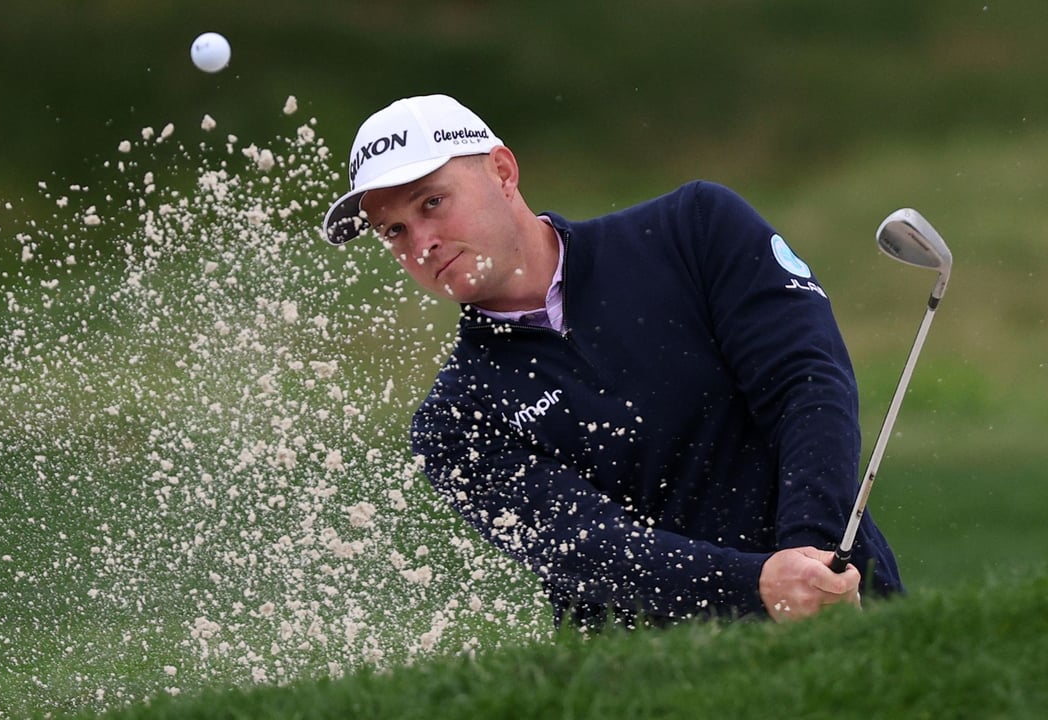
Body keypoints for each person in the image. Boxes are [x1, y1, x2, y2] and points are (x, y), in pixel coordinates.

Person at [322, 94, 904, 630]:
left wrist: (814, 559)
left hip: (847, 607)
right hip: (656, 680)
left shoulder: (694, 230)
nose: (420, 243)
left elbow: (807, 385)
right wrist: (759, 587)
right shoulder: (455, 421)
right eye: (394, 230)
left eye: (432, 203)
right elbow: (589, 545)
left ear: (502, 170)